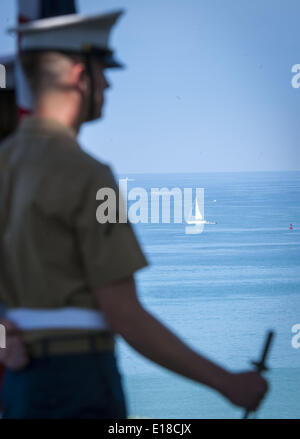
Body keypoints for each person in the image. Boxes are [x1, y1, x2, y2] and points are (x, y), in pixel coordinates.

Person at [0, 11, 268, 419]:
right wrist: (228, 383)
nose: (107, 83)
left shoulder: (4, 163)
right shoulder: (90, 176)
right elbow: (125, 315)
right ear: (78, 74)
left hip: (19, 388)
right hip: (80, 382)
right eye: (103, 70)